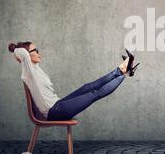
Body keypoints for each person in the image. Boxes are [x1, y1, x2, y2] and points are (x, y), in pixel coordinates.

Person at [8, 41, 139, 121]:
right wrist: (15, 48)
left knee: (88, 86)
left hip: (58, 104)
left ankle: (123, 69)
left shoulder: (35, 68)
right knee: (95, 94)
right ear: (26, 54)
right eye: (35, 50)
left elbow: (26, 54)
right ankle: (126, 73)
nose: (38, 52)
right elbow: (22, 53)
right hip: (54, 112)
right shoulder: (28, 71)